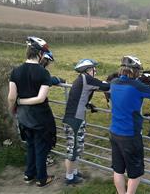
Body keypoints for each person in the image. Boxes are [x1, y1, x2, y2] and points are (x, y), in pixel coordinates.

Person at [109, 56, 150, 194]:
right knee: (135, 172)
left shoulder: (114, 82)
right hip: (130, 135)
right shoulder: (137, 86)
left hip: (114, 132)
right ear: (136, 71)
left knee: (118, 169)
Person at [8, 36, 56, 187]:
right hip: (40, 117)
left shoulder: (16, 71)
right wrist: (23, 101)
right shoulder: (43, 73)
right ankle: (42, 179)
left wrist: (14, 108)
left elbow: (11, 97)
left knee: (30, 146)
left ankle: (29, 175)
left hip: (23, 116)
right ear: (40, 54)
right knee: (41, 148)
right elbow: (40, 98)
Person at [63, 58, 110, 185]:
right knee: (73, 150)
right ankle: (69, 178)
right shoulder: (86, 79)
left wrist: (88, 104)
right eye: (94, 69)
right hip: (75, 120)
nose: (95, 71)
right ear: (88, 70)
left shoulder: (80, 79)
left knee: (77, 148)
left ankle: (74, 172)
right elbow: (106, 86)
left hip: (74, 118)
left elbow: (79, 97)